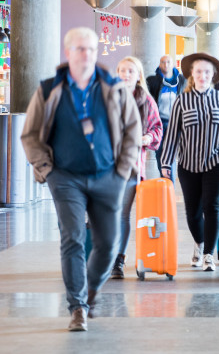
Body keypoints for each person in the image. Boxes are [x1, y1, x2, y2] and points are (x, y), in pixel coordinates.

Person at [20, 27, 141, 331]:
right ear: (68, 53)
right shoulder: (49, 90)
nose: (86, 54)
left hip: (108, 177)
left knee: (109, 244)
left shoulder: (113, 87)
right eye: (80, 49)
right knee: (72, 238)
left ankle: (89, 292)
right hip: (65, 178)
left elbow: (132, 130)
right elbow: (31, 134)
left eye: (91, 49)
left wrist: (122, 171)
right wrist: (47, 170)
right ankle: (77, 307)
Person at [159, 53, 219, 273]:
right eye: (199, 71)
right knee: (192, 211)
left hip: (217, 160)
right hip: (188, 163)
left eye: (207, 72)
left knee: (212, 206)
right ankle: (199, 244)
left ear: (213, 75)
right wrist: (166, 163)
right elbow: (173, 134)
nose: (203, 75)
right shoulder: (182, 100)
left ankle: (208, 254)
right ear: (192, 75)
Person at [111, 56, 163, 279]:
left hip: (132, 167)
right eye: (122, 70)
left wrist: (147, 138)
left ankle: (118, 261)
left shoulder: (146, 101)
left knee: (122, 215)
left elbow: (157, 130)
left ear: (138, 75)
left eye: (130, 71)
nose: (125, 75)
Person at [146, 55, 186, 180]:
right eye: (163, 62)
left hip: (175, 123)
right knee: (160, 154)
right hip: (159, 123)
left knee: (170, 155)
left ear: (173, 64)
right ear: (159, 65)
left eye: (168, 62)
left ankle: (169, 185)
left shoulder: (182, 80)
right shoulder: (152, 81)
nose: (166, 64)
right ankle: (165, 181)